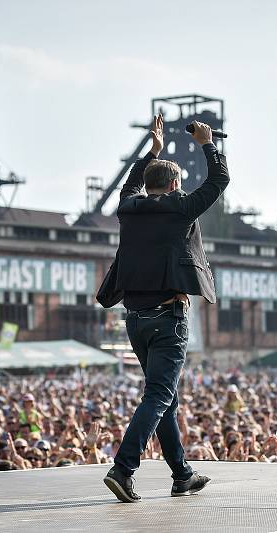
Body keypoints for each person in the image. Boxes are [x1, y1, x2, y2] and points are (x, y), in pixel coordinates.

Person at [96, 114, 230, 502]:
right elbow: (219, 181)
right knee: (158, 395)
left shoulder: (127, 208)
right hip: (169, 317)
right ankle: (123, 468)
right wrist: (207, 143)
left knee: (164, 398)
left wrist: (152, 151)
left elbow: (129, 184)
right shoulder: (181, 208)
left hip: (135, 319)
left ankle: (181, 474)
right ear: (174, 185)